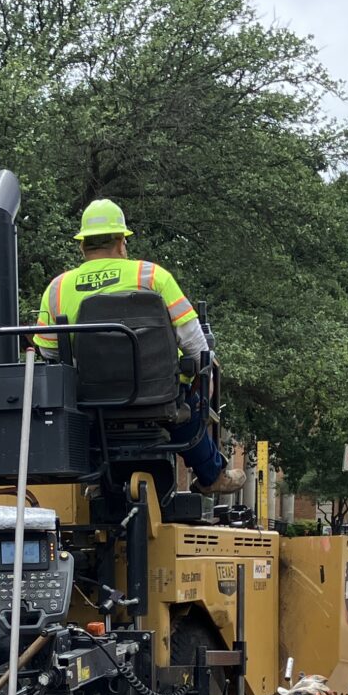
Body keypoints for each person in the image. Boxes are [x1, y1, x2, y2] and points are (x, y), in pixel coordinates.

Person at [35, 198, 244, 496]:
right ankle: (211, 475)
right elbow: (196, 345)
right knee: (189, 401)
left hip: (93, 405)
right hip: (158, 398)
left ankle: (97, 478)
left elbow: (50, 353)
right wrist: (201, 381)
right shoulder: (152, 276)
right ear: (121, 242)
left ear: (82, 246)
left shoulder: (57, 288)